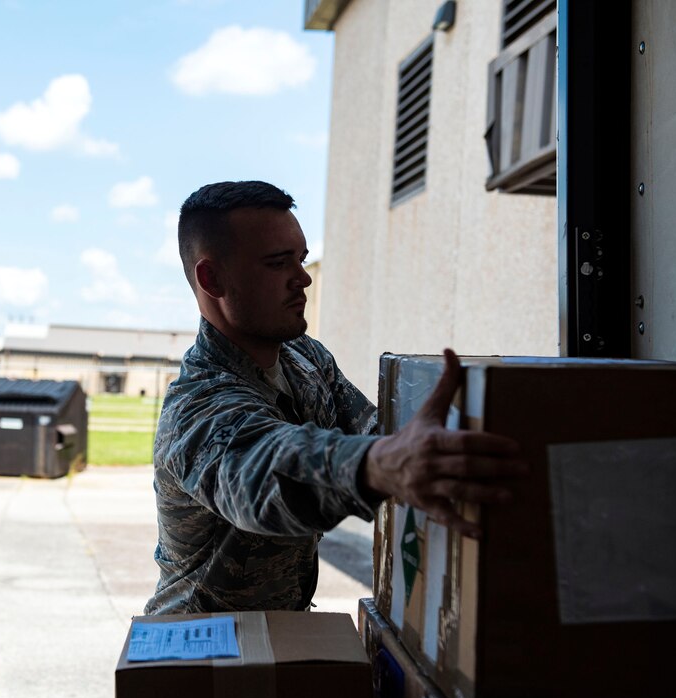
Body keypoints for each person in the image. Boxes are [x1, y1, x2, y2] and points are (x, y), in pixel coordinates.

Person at [144, 181, 526, 615]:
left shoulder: (305, 356)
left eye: (301, 259)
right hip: (200, 653)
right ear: (212, 279)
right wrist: (381, 465)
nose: (303, 278)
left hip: (282, 629)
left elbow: (374, 431)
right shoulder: (196, 406)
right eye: (277, 263)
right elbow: (263, 476)